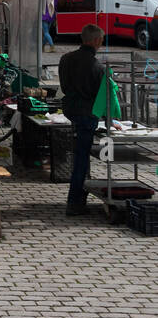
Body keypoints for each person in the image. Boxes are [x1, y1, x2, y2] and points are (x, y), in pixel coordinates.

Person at [59, 24, 105, 216]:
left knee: (81, 156)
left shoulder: (66, 59)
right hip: (87, 114)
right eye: (101, 41)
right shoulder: (97, 66)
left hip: (71, 110)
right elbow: (101, 96)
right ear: (95, 41)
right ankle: (75, 201)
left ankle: (79, 197)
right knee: (81, 159)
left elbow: (64, 85)